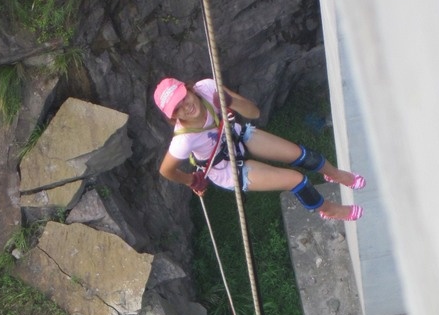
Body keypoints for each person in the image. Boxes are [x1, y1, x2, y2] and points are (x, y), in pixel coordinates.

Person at [154, 77, 366, 223]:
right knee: (297, 180)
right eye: (177, 108)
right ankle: (328, 210)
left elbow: (253, 112)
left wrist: (230, 102)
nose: (186, 107)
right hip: (225, 168)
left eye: (183, 98)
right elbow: (166, 170)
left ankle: (336, 175)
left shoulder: (208, 88)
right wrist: (191, 180)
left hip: (237, 136)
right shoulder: (183, 140)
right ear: (173, 117)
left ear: (189, 89)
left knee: (305, 157)